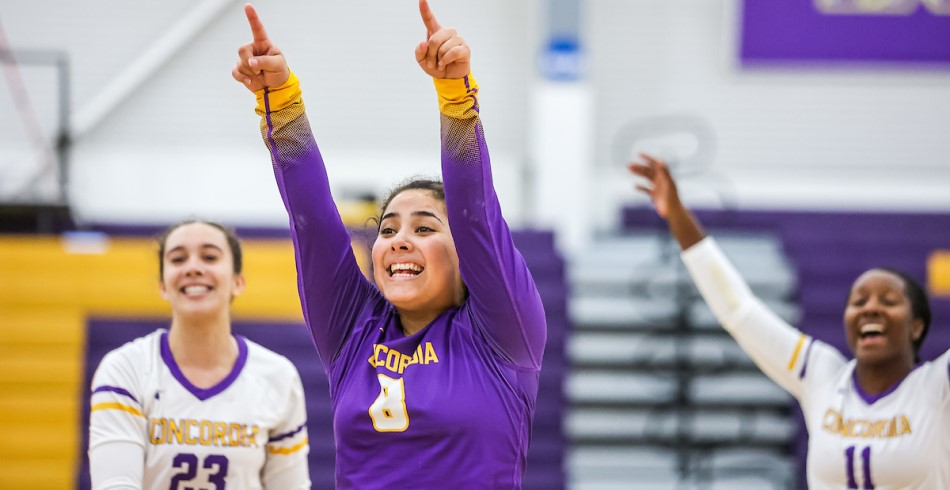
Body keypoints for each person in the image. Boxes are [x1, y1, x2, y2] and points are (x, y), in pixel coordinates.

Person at [231, 1, 547, 487]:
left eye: (424, 228)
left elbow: (476, 217)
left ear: (466, 256)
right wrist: (281, 101)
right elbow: (313, 222)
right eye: (387, 230)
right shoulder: (353, 331)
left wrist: (455, 96)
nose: (399, 241)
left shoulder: (504, 335)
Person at [629, 153, 949, 489]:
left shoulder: (937, 386)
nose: (870, 308)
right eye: (858, 301)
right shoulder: (822, 375)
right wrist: (678, 215)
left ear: (917, 325)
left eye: (888, 301)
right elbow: (737, 308)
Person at [88, 220, 311, 489]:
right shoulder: (125, 369)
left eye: (210, 256)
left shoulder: (278, 377)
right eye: (178, 258)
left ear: (237, 282)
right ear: (162, 285)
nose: (193, 268)